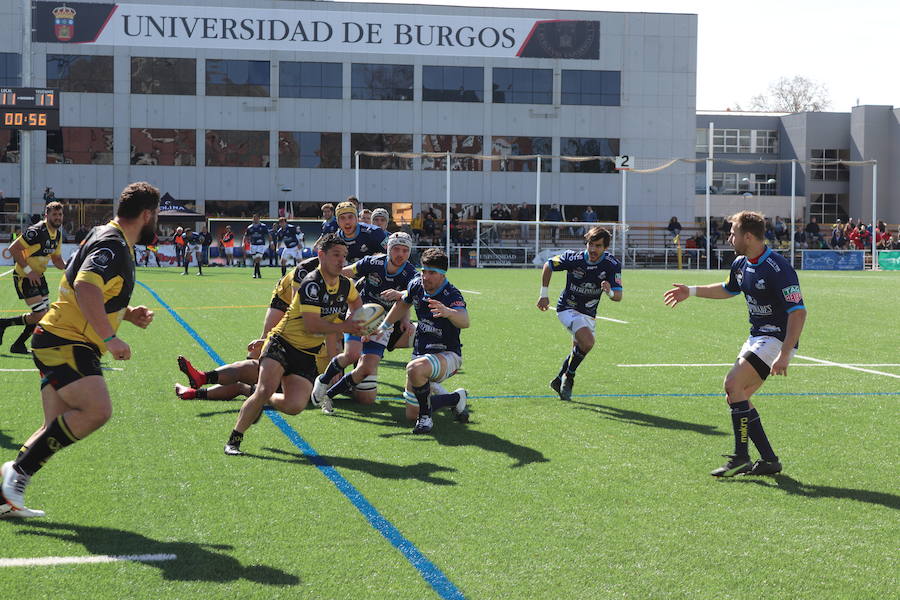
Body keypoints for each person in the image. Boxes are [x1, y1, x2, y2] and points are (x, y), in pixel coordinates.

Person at [0, 182, 159, 517]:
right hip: (67, 340)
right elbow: (86, 286)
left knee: (54, 425)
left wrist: (126, 315)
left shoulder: (108, 235)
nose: (155, 220)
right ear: (146, 215)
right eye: (155, 215)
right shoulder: (113, 245)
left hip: (58, 336)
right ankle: (17, 475)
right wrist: (111, 338)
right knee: (96, 411)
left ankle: (6, 491)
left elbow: (80, 284)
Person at [664, 210, 806, 478]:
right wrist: (690, 291)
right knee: (737, 396)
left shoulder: (778, 268)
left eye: (733, 233)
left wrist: (785, 353)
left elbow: (798, 312)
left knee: (732, 384)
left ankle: (741, 457)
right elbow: (729, 288)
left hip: (776, 337)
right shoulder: (741, 263)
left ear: (748, 236)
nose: (729, 238)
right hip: (758, 337)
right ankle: (769, 460)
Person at [223, 234, 364, 455]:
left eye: (344, 256)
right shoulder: (311, 283)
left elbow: (357, 304)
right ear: (321, 255)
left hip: (306, 353)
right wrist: (345, 327)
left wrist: (359, 320)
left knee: (294, 406)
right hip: (282, 343)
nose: (341, 261)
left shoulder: (346, 285)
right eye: (336, 255)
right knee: (264, 388)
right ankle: (234, 440)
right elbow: (312, 325)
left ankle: (263, 399)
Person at [312, 232, 419, 412]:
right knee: (352, 355)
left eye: (405, 250)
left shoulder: (410, 273)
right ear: (388, 248)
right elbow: (347, 272)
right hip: (359, 314)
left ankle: (329, 395)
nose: (400, 254)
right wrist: (324, 272)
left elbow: (416, 291)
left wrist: (401, 296)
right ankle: (323, 381)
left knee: (367, 375)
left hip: (384, 324)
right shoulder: (372, 262)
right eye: (396, 249)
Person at [377, 248, 469, 434]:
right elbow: (403, 302)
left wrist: (448, 312)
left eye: (432, 273)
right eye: (424, 271)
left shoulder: (452, 294)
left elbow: (465, 321)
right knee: (411, 413)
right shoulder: (416, 285)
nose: (426, 277)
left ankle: (426, 419)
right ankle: (455, 398)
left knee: (414, 368)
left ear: (443, 275)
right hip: (421, 353)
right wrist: (384, 326)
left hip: (448, 355)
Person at [537, 226, 623, 401]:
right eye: (590, 244)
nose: (592, 249)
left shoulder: (612, 264)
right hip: (567, 308)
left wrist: (610, 292)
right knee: (589, 342)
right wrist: (544, 294)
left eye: (598, 245)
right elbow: (548, 265)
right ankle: (569, 376)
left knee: (580, 348)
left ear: (605, 248)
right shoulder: (573, 258)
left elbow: (618, 296)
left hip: (589, 314)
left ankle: (559, 379)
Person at [0, 202, 67, 354]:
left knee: (43, 315)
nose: (58, 217)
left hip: (39, 276)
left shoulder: (58, 235)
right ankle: (3, 324)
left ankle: (17, 345)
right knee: (41, 314)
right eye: (54, 215)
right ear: (46, 215)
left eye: (60, 214)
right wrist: (29, 271)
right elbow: (13, 249)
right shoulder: (36, 231)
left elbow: (57, 260)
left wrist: (71, 267)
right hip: (25, 276)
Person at [243, 214, 270, 279]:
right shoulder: (250, 227)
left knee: (258, 259)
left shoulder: (263, 226)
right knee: (255, 260)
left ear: (259, 219)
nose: (255, 219)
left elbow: (268, 235)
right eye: (254, 218)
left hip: (261, 244)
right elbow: (246, 235)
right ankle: (257, 274)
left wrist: (271, 243)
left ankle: (255, 274)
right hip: (253, 245)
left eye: (256, 218)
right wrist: (244, 243)